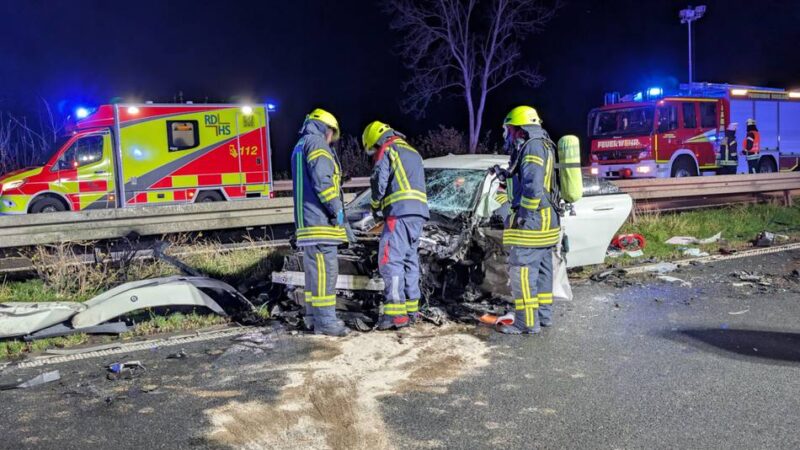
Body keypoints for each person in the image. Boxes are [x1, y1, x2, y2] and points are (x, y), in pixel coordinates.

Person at [490, 106, 560, 334]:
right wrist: (505, 175)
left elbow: (533, 186)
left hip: (533, 222)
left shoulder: (532, 146)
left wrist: (523, 216)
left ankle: (526, 323)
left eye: (509, 129)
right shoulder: (542, 144)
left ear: (519, 128)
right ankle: (543, 316)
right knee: (542, 272)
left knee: (522, 272)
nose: (507, 134)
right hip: (547, 221)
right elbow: (525, 178)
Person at [362, 121, 429, 330]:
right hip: (418, 215)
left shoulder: (387, 149)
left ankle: (395, 314)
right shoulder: (413, 152)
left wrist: (375, 207)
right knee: (410, 261)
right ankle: (411, 310)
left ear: (375, 140)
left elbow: (378, 181)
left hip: (398, 213)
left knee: (390, 261)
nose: (374, 153)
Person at [291, 108, 349, 336]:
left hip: (306, 224)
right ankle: (326, 322)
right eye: (331, 134)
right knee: (326, 273)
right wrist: (337, 211)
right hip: (320, 223)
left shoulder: (300, 145)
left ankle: (312, 318)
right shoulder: (317, 144)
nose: (331, 139)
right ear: (326, 128)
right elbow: (323, 183)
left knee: (313, 275)